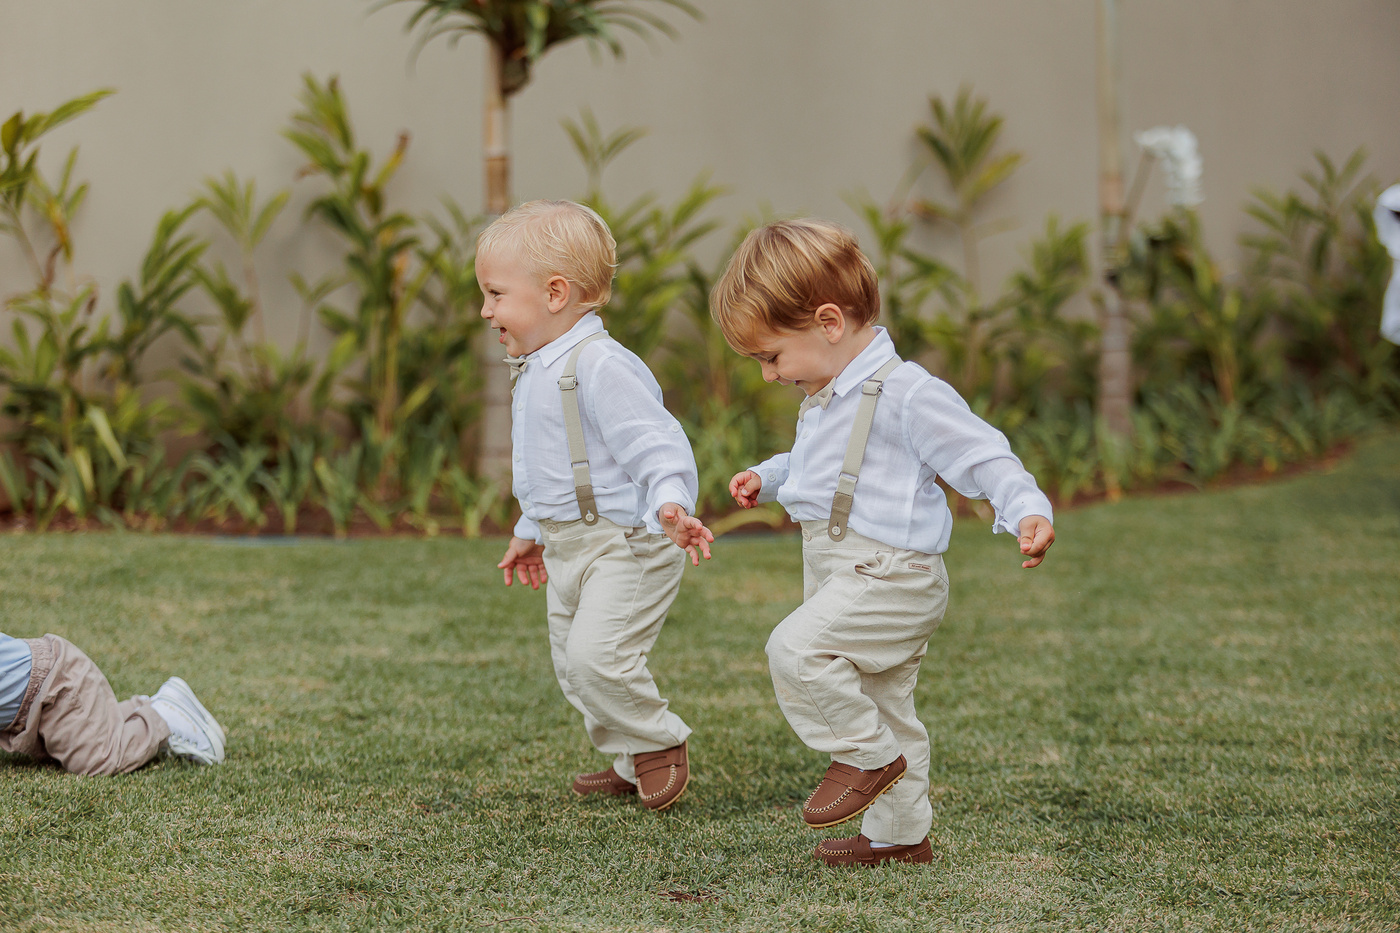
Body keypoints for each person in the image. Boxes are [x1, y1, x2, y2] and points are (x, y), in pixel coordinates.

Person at [711, 219, 1055, 867]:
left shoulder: (908, 393)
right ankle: (899, 836)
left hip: (892, 575)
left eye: (771, 356)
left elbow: (981, 454)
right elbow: (819, 463)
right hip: (844, 571)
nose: (766, 375)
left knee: (795, 649)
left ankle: (867, 757)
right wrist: (772, 476)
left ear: (829, 322)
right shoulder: (826, 395)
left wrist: (1025, 507)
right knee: (886, 705)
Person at [478, 199, 714, 811]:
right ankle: (630, 758)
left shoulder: (600, 365)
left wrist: (670, 501)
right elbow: (545, 466)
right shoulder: (536, 366)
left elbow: (656, 443)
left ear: (555, 293)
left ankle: (659, 741)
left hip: (624, 544)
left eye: (495, 294)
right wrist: (531, 528)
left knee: (597, 657)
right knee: (571, 664)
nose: (486, 310)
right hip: (568, 545)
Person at [0, 631, 225, 774]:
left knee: (98, 757)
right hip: (49, 675)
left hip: (54, 689)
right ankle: (145, 706)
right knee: (80, 739)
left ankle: (163, 718)